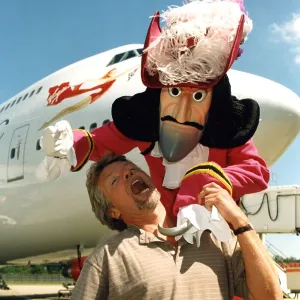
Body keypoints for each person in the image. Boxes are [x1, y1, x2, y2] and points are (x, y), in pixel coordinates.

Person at [37, 0, 270, 243]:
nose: (182, 109)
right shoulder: (148, 126)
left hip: (220, 233)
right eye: (175, 93)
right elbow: (102, 141)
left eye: (198, 95)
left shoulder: (228, 130)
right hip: (170, 236)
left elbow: (256, 171)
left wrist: (204, 180)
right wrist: (71, 145)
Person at [71, 153, 282, 300]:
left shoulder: (214, 238)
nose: (128, 174)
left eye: (132, 169)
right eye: (114, 180)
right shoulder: (109, 257)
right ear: (113, 211)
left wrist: (239, 220)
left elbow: (270, 296)